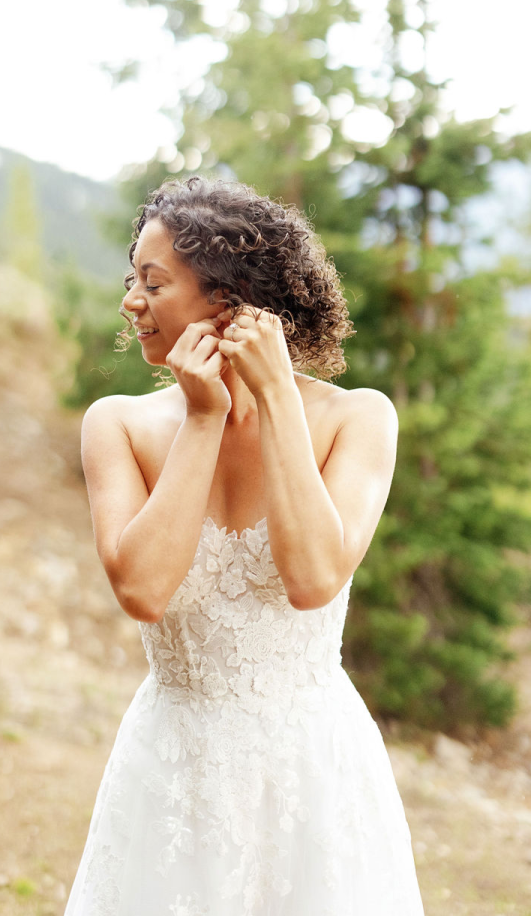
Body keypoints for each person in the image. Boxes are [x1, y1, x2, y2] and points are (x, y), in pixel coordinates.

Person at [64, 174, 425, 915]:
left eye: (153, 282)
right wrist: (203, 419)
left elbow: (313, 576)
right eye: (132, 278)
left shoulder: (358, 418)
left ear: (226, 298)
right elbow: (143, 589)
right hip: (172, 770)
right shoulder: (118, 424)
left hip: (313, 772)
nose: (131, 300)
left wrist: (279, 397)